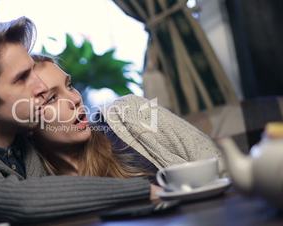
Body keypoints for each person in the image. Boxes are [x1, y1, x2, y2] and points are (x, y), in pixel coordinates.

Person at [0, 17, 160, 226]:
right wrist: (145, 191)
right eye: (21, 78)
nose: (40, 87)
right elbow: (20, 202)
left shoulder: (25, 146)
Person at [28, 54, 224, 181]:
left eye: (69, 85)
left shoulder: (130, 113)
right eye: (52, 98)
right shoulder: (39, 184)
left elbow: (220, 166)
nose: (75, 98)